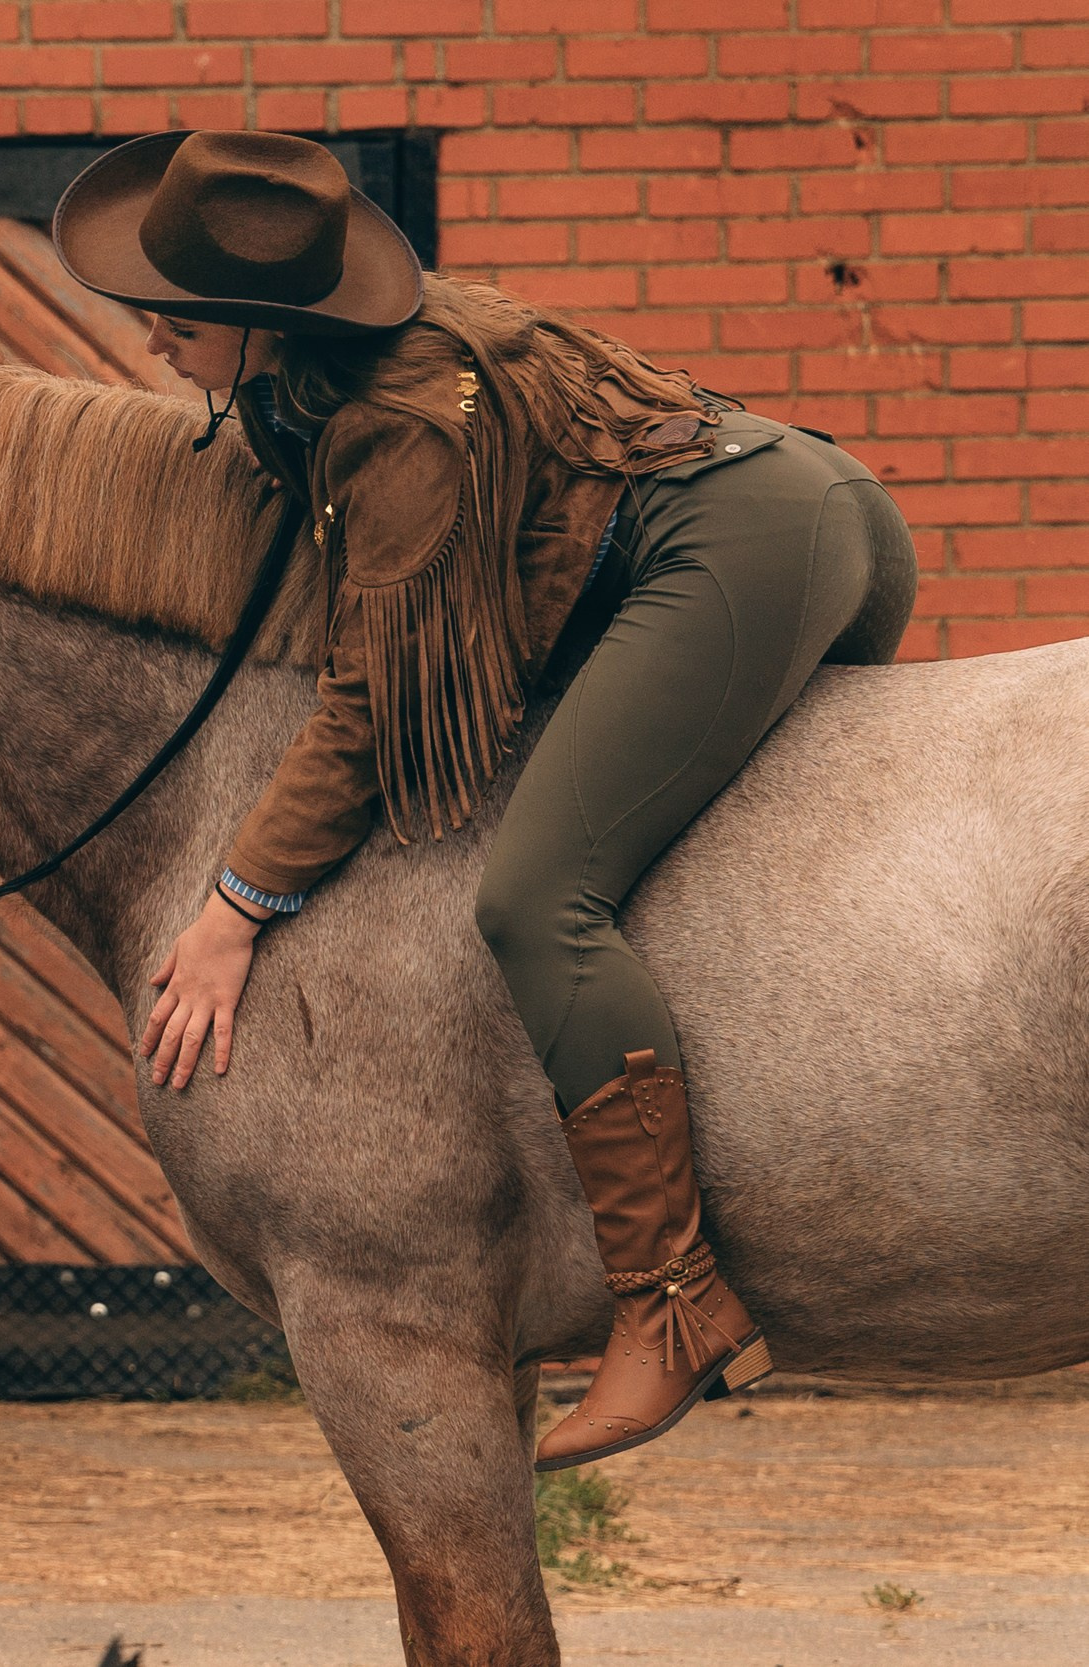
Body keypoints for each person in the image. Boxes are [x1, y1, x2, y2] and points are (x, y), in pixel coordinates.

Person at [52, 131, 916, 1469]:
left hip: (754, 539)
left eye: (171, 312)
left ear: (261, 318)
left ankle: (674, 1301)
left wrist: (233, 906)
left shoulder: (396, 423)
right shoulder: (315, 387)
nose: (149, 333)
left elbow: (373, 705)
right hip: (798, 494)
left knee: (536, 894)